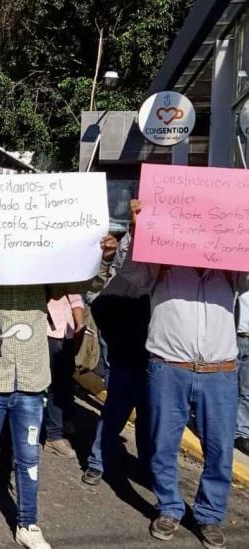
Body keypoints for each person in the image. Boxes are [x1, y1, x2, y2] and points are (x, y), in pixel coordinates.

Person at [0, 234, 118, 549]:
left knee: (28, 456)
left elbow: (81, 285)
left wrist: (102, 257)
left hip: (31, 376)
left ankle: (28, 524)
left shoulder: (44, 272)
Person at [121, 199, 249, 549]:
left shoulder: (231, 268)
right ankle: (169, 507)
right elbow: (133, 280)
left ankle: (209, 515)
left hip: (219, 371)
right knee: (162, 445)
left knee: (220, 449)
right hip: (168, 368)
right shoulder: (161, 262)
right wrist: (137, 232)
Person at [82, 232, 151, 486]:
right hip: (130, 354)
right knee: (115, 412)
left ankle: (146, 467)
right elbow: (103, 305)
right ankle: (97, 462)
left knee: (152, 417)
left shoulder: (174, 278)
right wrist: (118, 341)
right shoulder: (131, 268)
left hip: (164, 360)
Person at [42, 294, 84, 458]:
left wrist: (80, 325)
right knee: (56, 385)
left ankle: (63, 423)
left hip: (67, 332)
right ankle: (54, 435)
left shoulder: (69, 272)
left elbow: (75, 298)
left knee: (64, 382)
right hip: (48, 331)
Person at [237, 291, 249, 456]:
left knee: (247, 391)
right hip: (234, 336)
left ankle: (241, 433)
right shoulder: (237, 276)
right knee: (226, 388)